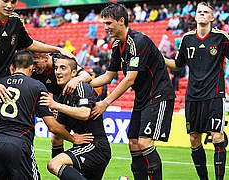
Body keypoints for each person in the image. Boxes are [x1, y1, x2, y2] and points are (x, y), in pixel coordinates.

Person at [0, 0, 75, 179]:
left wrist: (57, 49)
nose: (9, 5)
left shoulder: (15, 21)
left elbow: (29, 44)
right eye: (5, 1)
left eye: (13, 1)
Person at [0, 50, 92, 179]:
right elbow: (53, 126)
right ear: (31, 68)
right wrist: (73, 139)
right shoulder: (37, 87)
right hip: (20, 144)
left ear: (12, 68)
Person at [90, 3, 175, 180]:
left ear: (122, 21)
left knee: (144, 142)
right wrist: (83, 83)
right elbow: (108, 76)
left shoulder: (138, 41)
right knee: (133, 143)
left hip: (158, 95)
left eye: (108, 23)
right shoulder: (116, 45)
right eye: (104, 23)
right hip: (142, 97)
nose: (105, 28)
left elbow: (129, 79)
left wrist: (105, 103)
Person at [165, 2, 229, 180]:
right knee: (194, 139)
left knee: (216, 137)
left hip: (215, 94)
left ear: (211, 17)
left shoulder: (221, 38)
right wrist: (159, 57)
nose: (201, 14)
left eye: (205, 12)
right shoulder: (187, 39)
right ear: (195, 16)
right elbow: (177, 66)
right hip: (192, 96)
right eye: (199, 11)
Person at [39, 54, 111, 180]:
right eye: (56, 68)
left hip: (95, 146)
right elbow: (57, 130)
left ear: (73, 73)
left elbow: (84, 113)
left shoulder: (81, 87)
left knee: (54, 164)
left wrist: (56, 105)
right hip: (82, 147)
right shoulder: (63, 96)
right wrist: (71, 138)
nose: (58, 72)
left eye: (63, 68)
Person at [31, 52, 91, 158]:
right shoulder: (36, 73)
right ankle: (59, 169)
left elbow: (87, 76)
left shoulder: (60, 61)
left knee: (83, 135)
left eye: (36, 63)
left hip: (76, 99)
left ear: (46, 57)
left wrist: (76, 80)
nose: (34, 67)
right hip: (59, 100)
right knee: (56, 138)